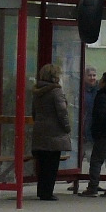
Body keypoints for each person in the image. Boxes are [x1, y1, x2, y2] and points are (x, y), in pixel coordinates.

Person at [32, 64, 71, 201]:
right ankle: (48, 192)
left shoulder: (37, 90)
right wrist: (67, 128)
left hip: (39, 130)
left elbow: (34, 113)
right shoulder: (56, 91)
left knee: (42, 163)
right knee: (52, 164)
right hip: (54, 132)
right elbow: (62, 112)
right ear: (54, 76)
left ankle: (41, 190)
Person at [82, 72, 106, 196]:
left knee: (96, 160)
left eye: (102, 79)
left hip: (103, 133)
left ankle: (92, 187)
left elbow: (99, 115)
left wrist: (95, 130)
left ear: (105, 81)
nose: (99, 80)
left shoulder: (102, 95)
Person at [69, 67, 99, 191]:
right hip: (80, 129)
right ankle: (73, 182)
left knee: (92, 158)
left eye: (94, 75)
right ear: (84, 77)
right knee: (77, 157)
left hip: (93, 130)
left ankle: (93, 183)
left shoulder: (98, 91)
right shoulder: (80, 91)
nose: (92, 78)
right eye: (89, 75)